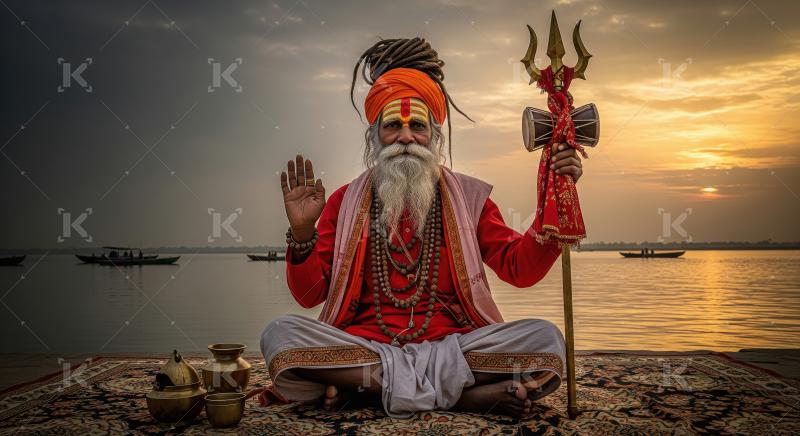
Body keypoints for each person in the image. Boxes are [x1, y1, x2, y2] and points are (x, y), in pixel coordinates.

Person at [260, 37, 584, 418]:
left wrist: (556, 196)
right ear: (374, 136)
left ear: (434, 134)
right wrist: (301, 236)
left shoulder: (468, 196)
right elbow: (310, 296)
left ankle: (365, 392)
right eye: (392, 126)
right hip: (368, 347)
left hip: (456, 349)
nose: (406, 137)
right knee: (280, 336)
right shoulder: (344, 201)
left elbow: (520, 269)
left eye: (417, 125)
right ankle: (462, 397)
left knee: (546, 342)